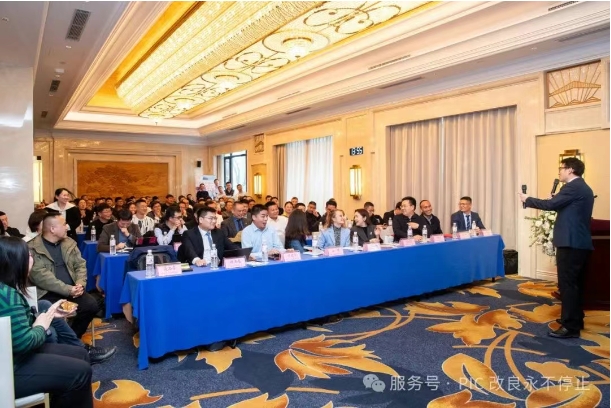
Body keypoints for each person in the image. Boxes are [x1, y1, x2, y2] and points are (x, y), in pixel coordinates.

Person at [0, 236, 94, 407]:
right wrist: (41, 326)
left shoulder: (7, 288)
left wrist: (49, 315)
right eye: (27, 255)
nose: (31, 257)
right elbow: (25, 342)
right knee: (80, 372)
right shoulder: (7, 296)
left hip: (13, 356)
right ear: (15, 261)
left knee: (81, 354)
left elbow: (17, 327)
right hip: (10, 368)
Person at [519, 157, 594, 339]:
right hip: (578, 243)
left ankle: (570, 327)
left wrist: (527, 199)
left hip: (571, 243)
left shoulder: (572, 187)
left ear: (570, 170)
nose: (559, 171)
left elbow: (550, 205)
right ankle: (575, 319)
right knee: (575, 285)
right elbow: (564, 208)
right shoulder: (581, 187)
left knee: (568, 285)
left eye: (561, 168)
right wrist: (556, 201)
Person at [28, 213, 101, 339]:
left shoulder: (69, 243)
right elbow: (41, 277)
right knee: (52, 312)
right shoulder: (32, 248)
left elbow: (80, 265)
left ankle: (72, 338)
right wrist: (68, 289)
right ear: (52, 229)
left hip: (73, 290)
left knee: (91, 305)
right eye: (64, 224)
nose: (67, 227)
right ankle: (69, 341)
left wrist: (80, 284)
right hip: (46, 293)